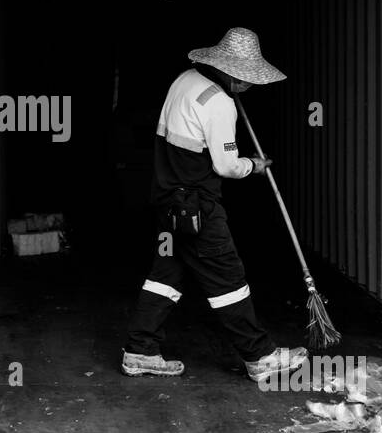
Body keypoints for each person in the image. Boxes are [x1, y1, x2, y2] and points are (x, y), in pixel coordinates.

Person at [122, 27, 307, 383]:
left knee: (166, 275)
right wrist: (254, 164)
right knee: (228, 277)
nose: (249, 85)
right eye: (246, 79)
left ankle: (139, 350)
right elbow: (225, 166)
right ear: (231, 73)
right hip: (197, 207)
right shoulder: (220, 103)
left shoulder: (185, 79)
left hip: (168, 200)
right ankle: (260, 356)